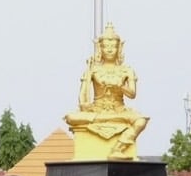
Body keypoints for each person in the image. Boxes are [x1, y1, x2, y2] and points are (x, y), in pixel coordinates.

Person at [63, 23, 149, 159]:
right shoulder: (94, 69)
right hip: (97, 111)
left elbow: (132, 94)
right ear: (100, 49)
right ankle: (109, 125)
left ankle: (119, 148)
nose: (109, 50)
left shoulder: (127, 70)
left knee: (141, 120)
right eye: (106, 47)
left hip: (119, 110)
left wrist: (121, 87)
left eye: (113, 47)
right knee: (71, 117)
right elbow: (82, 102)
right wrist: (88, 73)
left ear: (119, 48)